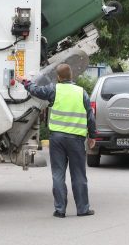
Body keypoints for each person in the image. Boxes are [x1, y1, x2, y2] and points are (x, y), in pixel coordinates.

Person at [16, 63, 96, 218]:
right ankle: (82, 209)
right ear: (71, 75)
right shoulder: (82, 93)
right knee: (79, 174)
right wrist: (92, 136)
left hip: (57, 139)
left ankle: (60, 210)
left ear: (59, 77)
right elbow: (90, 117)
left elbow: (36, 90)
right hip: (77, 139)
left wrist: (25, 81)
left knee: (58, 174)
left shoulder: (54, 89)